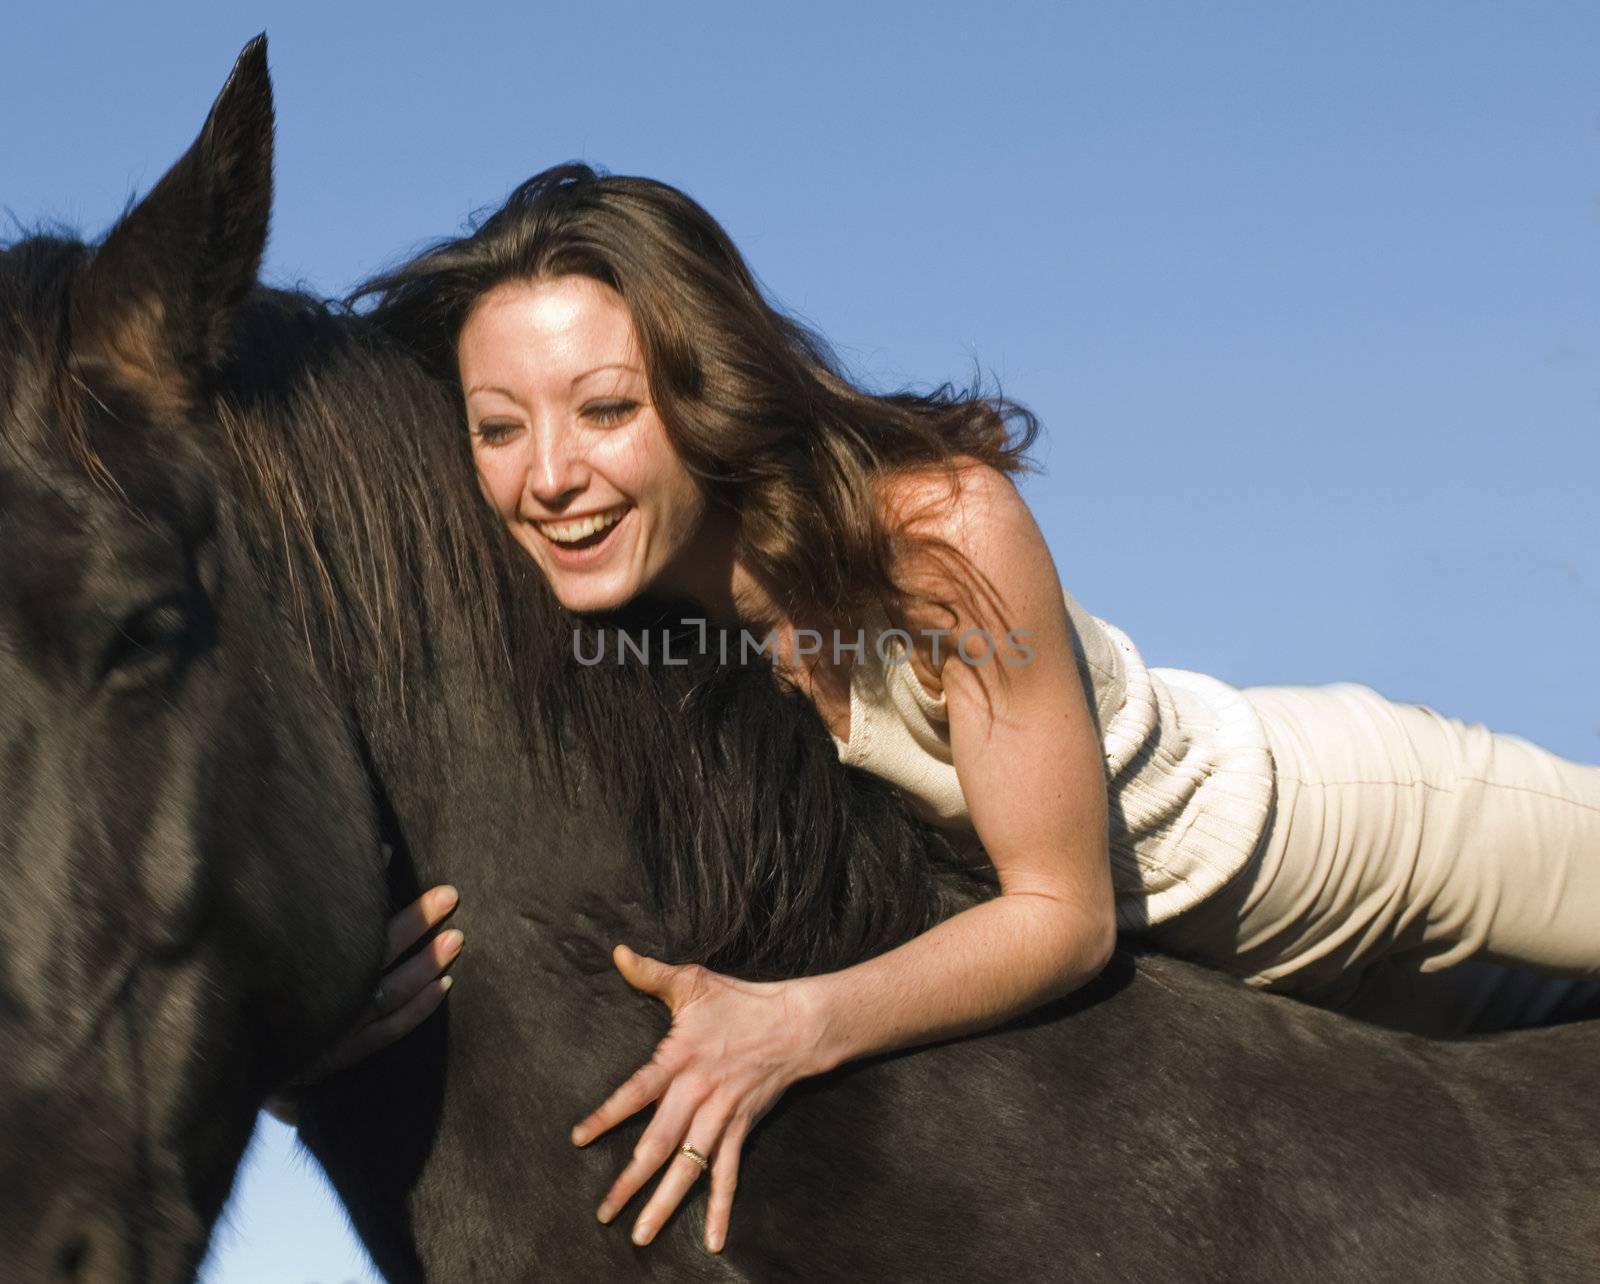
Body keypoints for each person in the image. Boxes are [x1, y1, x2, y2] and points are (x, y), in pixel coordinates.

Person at [269, 163, 1600, 1254]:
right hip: (1194, 1008)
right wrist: (331, 998)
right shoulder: (586, 605)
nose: (549, 476)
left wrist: (792, 1024)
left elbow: (1062, 917)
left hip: (1320, 852)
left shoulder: (931, 523)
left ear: (701, 386)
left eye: (607, 409)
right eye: (498, 430)